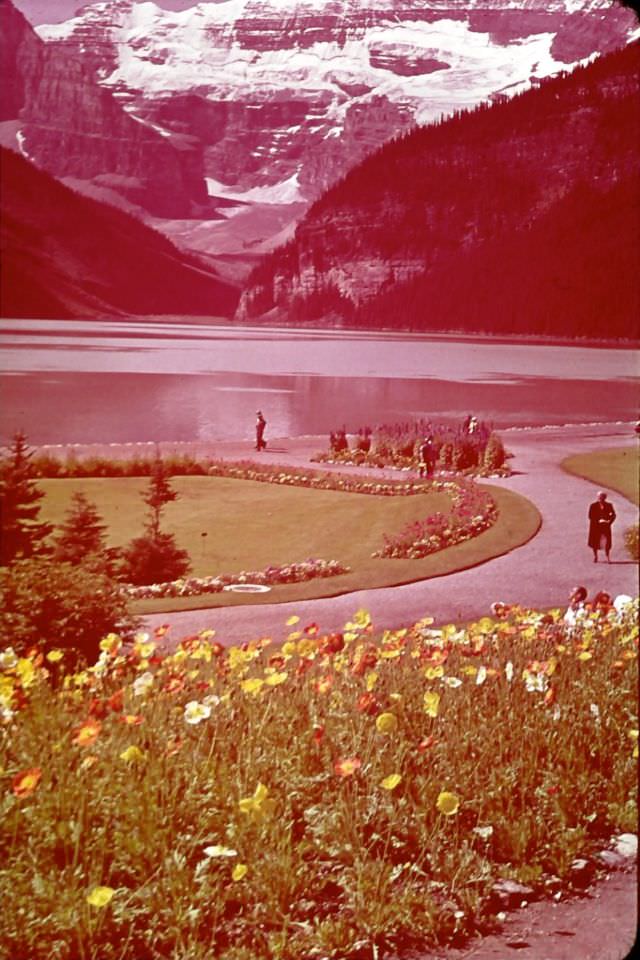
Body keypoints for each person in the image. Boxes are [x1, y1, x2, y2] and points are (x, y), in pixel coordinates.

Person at [588, 491, 616, 563]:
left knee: (607, 542)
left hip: (605, 526)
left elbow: (613, 515)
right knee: (595, 541)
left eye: (603, 497)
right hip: (596, 526)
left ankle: (607, 557)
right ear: (598, 497)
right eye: (600, 497)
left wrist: (609, 521)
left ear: (605, 498)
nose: (601, 499)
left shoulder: (609, 505)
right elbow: (590, 516)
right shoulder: (593, 506)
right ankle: (595, 556)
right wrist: (598, 520)